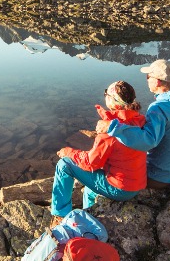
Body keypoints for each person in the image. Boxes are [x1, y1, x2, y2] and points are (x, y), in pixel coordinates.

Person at [50, 80, 148, 226]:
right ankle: (89, 214)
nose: (105, 96)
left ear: (113, 101)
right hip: (136, 184)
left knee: (64, 165)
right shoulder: (139, 120)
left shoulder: (109, 131)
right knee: (90, 190)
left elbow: (90, 164)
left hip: (120, 189)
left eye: (106, 94)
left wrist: (68, 152)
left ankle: (60, 215)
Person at [98, 59, 170, 189]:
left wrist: (112, 127)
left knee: (110, 168)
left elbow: (148, 141)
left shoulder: (159, 107)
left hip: (159, 176)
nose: (146, 79)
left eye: (148, 77)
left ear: (157, 81)